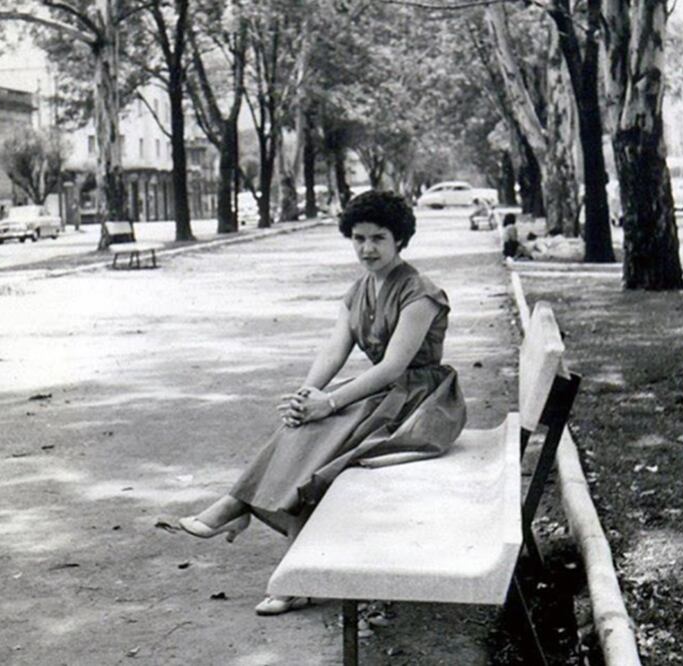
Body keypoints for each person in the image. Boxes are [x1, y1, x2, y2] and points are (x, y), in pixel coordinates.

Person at [173, 190, 467, 616]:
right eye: (359, 238)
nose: (367, 248)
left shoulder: (420, 293)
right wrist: (305, 396)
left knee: (328, 450)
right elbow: (334, 350)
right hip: (382, 394)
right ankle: (272, 544)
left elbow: (392, 366)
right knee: (302, 425)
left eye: (378, 238)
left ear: (400, 240)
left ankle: (259, 530)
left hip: (420, 401)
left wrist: (329, 403)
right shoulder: (360, 289)